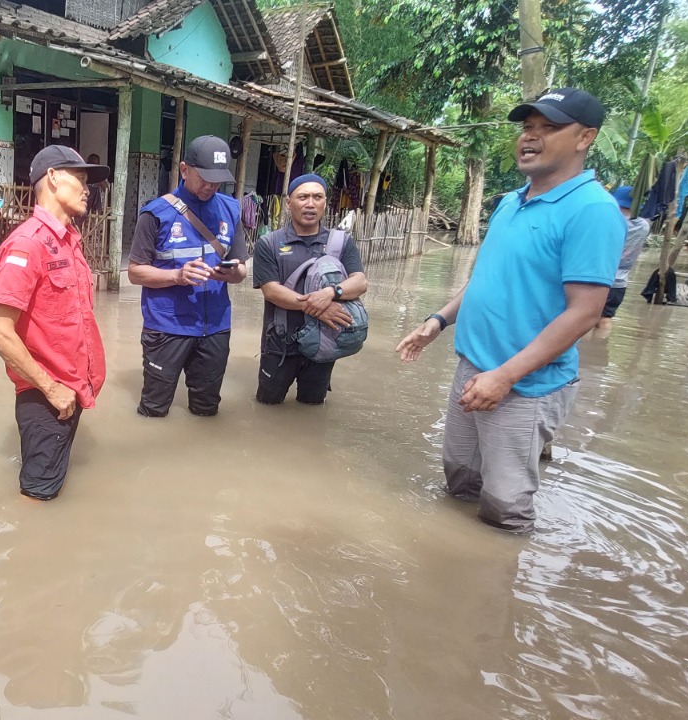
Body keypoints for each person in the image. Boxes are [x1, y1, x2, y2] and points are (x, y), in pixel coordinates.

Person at [395, 88, 624, 534]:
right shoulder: (509, 202)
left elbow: (584, 313)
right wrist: (438, 321)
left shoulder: (592, 211)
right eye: (527, 127)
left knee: (505, 506)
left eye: (549, 128)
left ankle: (499, 585)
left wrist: (505, 377)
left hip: (526, 384)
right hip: (472, 366)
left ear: (585, 138)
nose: (531, 138)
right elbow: (485, 279)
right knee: (459, 477)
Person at [0, 145, 109, 501]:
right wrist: (51, 388)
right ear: (52, 178)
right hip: (46, 397)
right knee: (38, 499)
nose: (88, 189)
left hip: (71, 392)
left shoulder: (70, 242)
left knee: (53, 490)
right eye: (81, 179)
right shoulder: (27, 245)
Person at [127, 135, 249, 417]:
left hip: (216, 326)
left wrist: (231, 273)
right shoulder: (156, 213)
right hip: (167, 326)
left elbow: (241, 268)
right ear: (184, 170)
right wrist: (178, 276)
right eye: (204, 178)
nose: (210, 186)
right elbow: (134, 273)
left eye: (217, 180)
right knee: (154, 411)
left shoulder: (231, 210)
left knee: (207, 411)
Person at [251, 174, 367, 405]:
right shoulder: (270, 243)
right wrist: (318, 308)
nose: (310, 203)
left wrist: (331, 293)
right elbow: (271, 291)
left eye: (317, 197)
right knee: (268, 404)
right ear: (288, 202)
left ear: (325, 201)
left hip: (324, 342)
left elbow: (360, 282)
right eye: (303, 197)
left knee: (312, 406)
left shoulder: (340, 242)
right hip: (280, 344)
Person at [596, 185, 651, 332]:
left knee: (586, 320)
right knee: (606, 319)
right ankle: (602, 350)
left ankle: (587, 352)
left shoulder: (610, 221)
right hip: (619, 283)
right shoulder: (644, 226)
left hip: (597, 278)